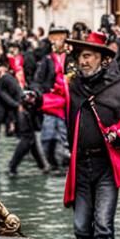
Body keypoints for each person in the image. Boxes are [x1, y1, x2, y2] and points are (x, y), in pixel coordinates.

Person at [63, 30, 120, 239]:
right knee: (80, 228)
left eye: (88, 56)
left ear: (102, 59)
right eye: (80, 57)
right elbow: (56, 104)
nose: (83, 61)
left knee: (104, 225)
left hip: (107, 164)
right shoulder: (73, 85)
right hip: (81, 166)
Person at [32, 25, 71, 175]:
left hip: (69, 104)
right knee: (47, 135)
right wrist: (39, 93)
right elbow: (37, 81)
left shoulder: (73, 58)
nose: (58, 40)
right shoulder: (46, 60)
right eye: (55, 37)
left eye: (61, 37)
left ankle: (66, 163)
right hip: (51, 103)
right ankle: (53, 163)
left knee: (65, 135)